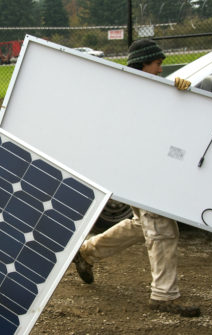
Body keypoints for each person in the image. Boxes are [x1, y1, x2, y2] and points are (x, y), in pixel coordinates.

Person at [73, 39, 200, 318]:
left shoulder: (154, 90)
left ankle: (86, 252)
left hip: (149, 172)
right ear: (143, 63)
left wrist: (182, 94)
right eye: (157, 64)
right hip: (137, 173)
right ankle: (164, 296)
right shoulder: (125, 92)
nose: (160, 69)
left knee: (142, 224)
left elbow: (171, 123)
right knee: (163, 229)